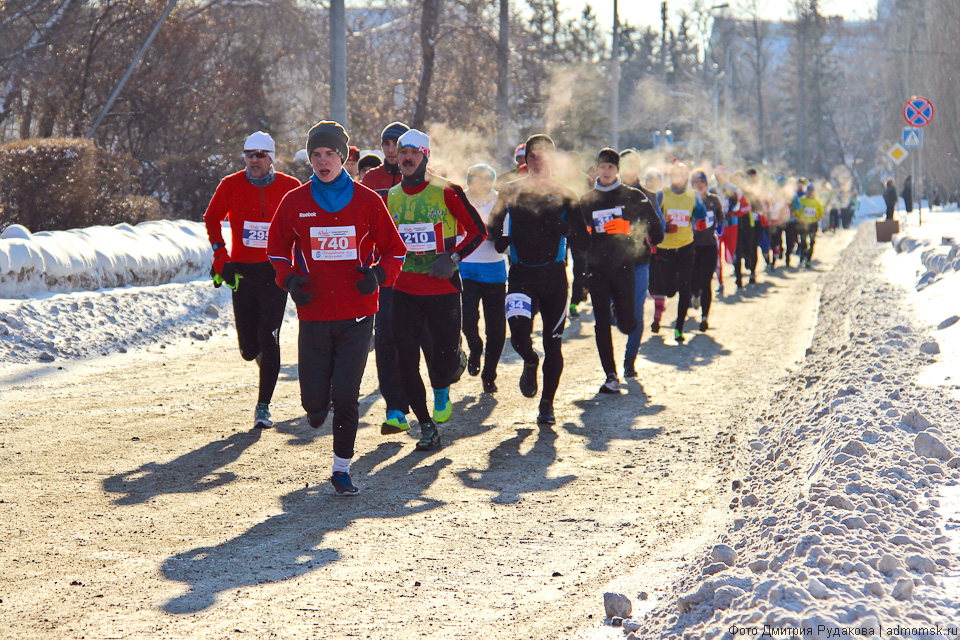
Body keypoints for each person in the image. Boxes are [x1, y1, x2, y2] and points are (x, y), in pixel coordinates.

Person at [267, 120, 406, 495]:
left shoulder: (368, 200)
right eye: (316, 154)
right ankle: (317, 407)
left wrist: (377, 275)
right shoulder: (295, 201)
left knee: (346, 395)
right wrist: (289, 280)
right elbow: (276, 249)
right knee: (314, 403)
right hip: (313, 313)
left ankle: (341, 470)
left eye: (330, 154)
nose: (323, 161)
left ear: (343, 158)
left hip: (357, 314)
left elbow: (395, 250)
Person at [387, 129, 486, 451]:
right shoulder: (392, 195)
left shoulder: (447, 190)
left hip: (442, 289)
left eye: (413, 152)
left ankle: (446, 378)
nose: (406, 157)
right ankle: (426, 425)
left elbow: (478, 231)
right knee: (405, 360)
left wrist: (452, 257)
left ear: (425, 156)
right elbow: (387, 240)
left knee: (442, 363)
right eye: (403, 151)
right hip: (405, 289)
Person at [203, 131, 301, 428]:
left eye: (260, 155)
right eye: (249, 155)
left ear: (271, 158)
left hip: (275, 271)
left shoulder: (290, 186)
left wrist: (300, 264)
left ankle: (263, 407)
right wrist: (220, 257)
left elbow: (304, 223)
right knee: (248, 349)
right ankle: (258, 354)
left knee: (269, 336)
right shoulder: (230, 184)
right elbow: (212, 218)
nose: (254, 160)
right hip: (242, 272)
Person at [488, 134, 583, 425]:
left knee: (553, 343)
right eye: (532, 156)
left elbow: (584, 240)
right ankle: (530, 360)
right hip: (521, 276)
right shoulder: (510, 190)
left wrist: (562, 227)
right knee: (518, 336)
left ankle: (547, 405)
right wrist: (500, 239)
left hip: (554, 278)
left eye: (543, 156)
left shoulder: (566, 195)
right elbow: (493, 224)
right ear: (525, 160)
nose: (537, 161)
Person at [580, 148, 663, 392]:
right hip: (597, 269)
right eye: (602, 167)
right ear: (597, 169)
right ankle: (611, 375)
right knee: (601, 321)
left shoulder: (633, 196)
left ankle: (620, 313)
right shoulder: (587, 201)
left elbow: (656, 229)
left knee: (628, 324)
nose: (606, 171)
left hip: (626, 267)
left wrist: (628, 228)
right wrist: (584, 236)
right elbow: (575, 236)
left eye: (611, 167)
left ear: (617, 170)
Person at [361, 121, 412, 434]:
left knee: (422, 338)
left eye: (397, 144)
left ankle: (446, 368)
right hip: (386, 271)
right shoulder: (371, 179)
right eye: (386, 144)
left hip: (420, 272)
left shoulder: (424, 177)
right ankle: (395, 407)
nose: (391, 150)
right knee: (386, 338)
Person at [460, 163, 507, 393]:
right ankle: (475, 346)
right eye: (472, 180)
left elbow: (507, 231)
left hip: (493, 268)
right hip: (464, 267)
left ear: (490, 182)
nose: (477, 185)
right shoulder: (460, 198)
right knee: (467, 319)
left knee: (496, 327)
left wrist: (498, 236)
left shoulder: (500, 201)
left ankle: (489, 374)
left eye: (482, 180)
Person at [649, 163, 707, 344]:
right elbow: (652, 218)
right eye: (676, 174)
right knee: (669, 290)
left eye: (683, 175)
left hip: (686, 246)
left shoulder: (693, 195)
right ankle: (665, 308)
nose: (679, 178)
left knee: (685, 287)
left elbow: (701, 215)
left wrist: (700, 222)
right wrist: (665, 227)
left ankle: (679, 328)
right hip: (665, 248)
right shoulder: (662, 194)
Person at [690, 170, 723, 331]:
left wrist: (720, 227)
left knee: (706, 281)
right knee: (694, 281)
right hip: (692, 246)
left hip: (709, 245)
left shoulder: (713, 200)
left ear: (706, 183)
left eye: (701, 182)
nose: (699, 185)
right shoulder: (689, 200)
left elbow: (720, 217)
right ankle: (695, 294)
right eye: (696, 182)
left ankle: (704, 317)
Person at [793, 182, 824, 268]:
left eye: (811, 190)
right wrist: (798, 218)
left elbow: (821, 211)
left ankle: (809, 259)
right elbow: (796, 210)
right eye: (809, 190)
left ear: (814, 192)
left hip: (812, 224)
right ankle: (803, 256)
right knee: (803, 242)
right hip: (803, 224)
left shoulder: (817, 202)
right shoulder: (802, 200)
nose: (810, 192)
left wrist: (819, 217)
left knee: (812, 242)